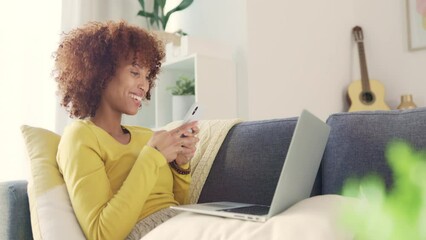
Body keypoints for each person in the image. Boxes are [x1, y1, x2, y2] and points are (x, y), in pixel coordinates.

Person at [54, 20, 199, 240]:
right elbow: (103, 234)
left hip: (183, 225)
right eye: (135, 72)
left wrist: (180, 166)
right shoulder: (80, 137)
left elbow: (177, 206)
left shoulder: (146, 136)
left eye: (148, 76)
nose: (145, 85)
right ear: (102, 72)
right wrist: (152, 157)